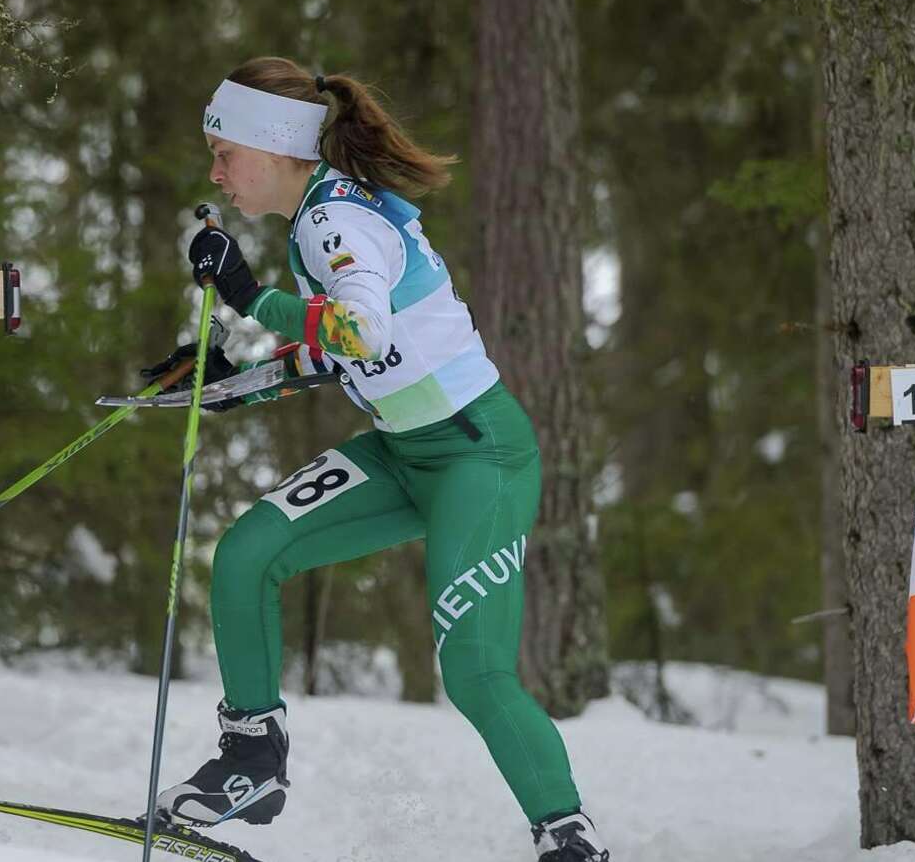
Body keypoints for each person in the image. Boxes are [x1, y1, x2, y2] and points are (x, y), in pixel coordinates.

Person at [143, 57, 610, 862]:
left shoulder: (334, 225)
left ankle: (568, 837)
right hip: (404, 450)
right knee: (249, 553)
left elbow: (363, 334)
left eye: (226, 151)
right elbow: (344, 355)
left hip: (478, 456)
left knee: (473, 669)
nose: (215, 170)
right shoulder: (323, 216)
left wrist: (253, 299)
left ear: (276, 145)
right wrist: (237, 382)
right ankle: (252, 759)